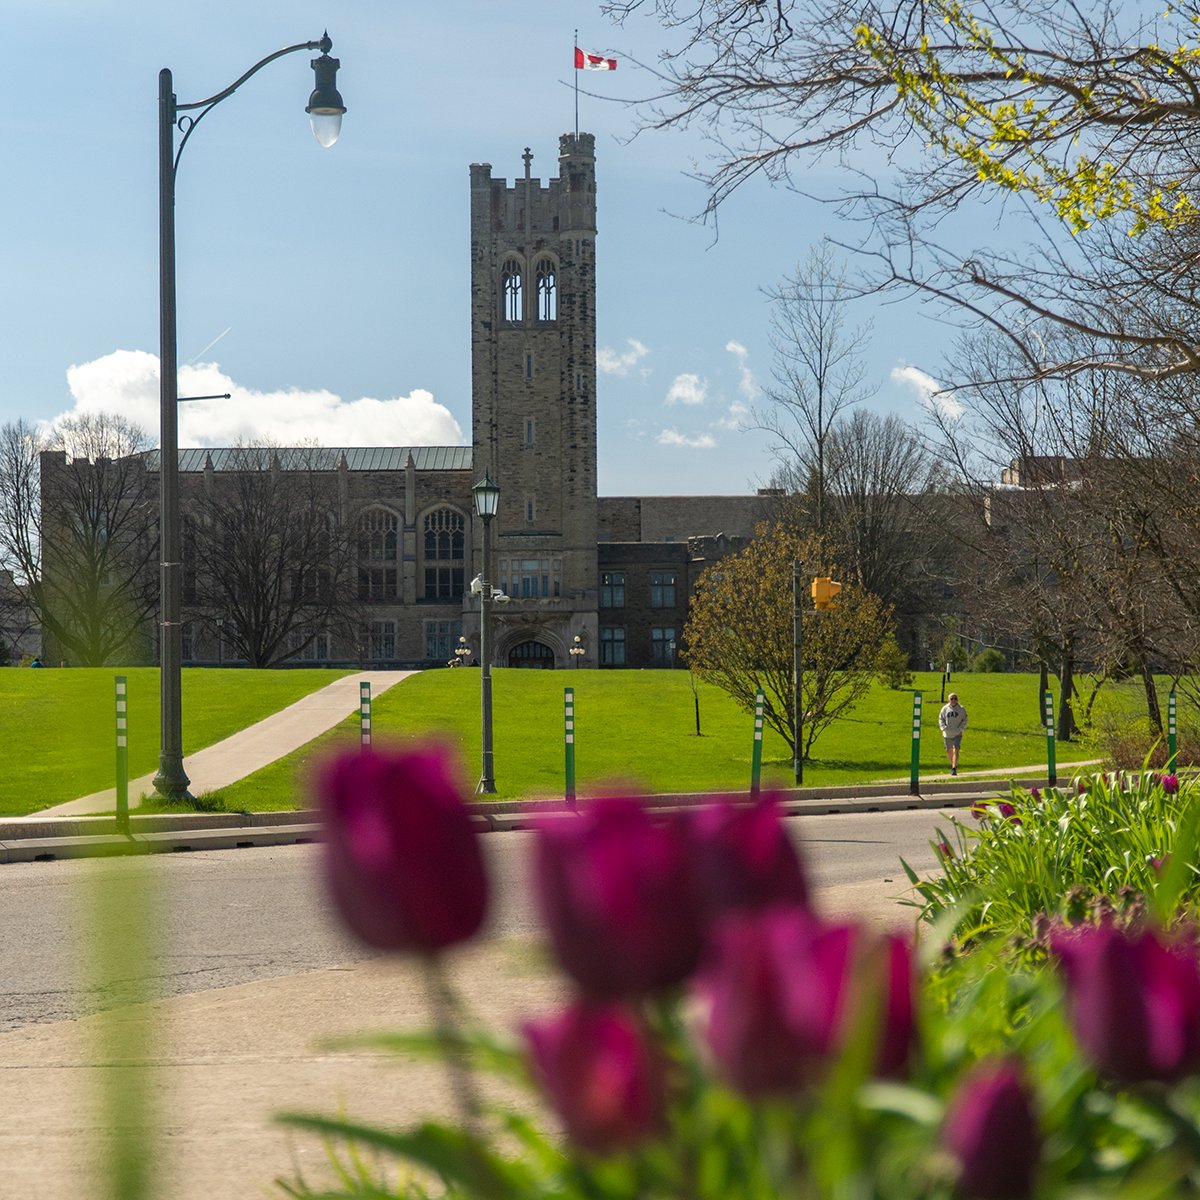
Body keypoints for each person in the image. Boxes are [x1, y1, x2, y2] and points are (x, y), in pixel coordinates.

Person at [938, 692, 968, 775]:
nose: (954, 700)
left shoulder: (961, 709)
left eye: (955, 698)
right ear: (949, 700)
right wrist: (943, 728)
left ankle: (954, 767)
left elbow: (965, 719)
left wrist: (960, 728)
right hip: (947, 734)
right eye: (952, 698)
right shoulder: (945, 709)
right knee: (949, 750)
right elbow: (941, 719)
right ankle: (953, 764)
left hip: (957, 734)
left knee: (956, 749)